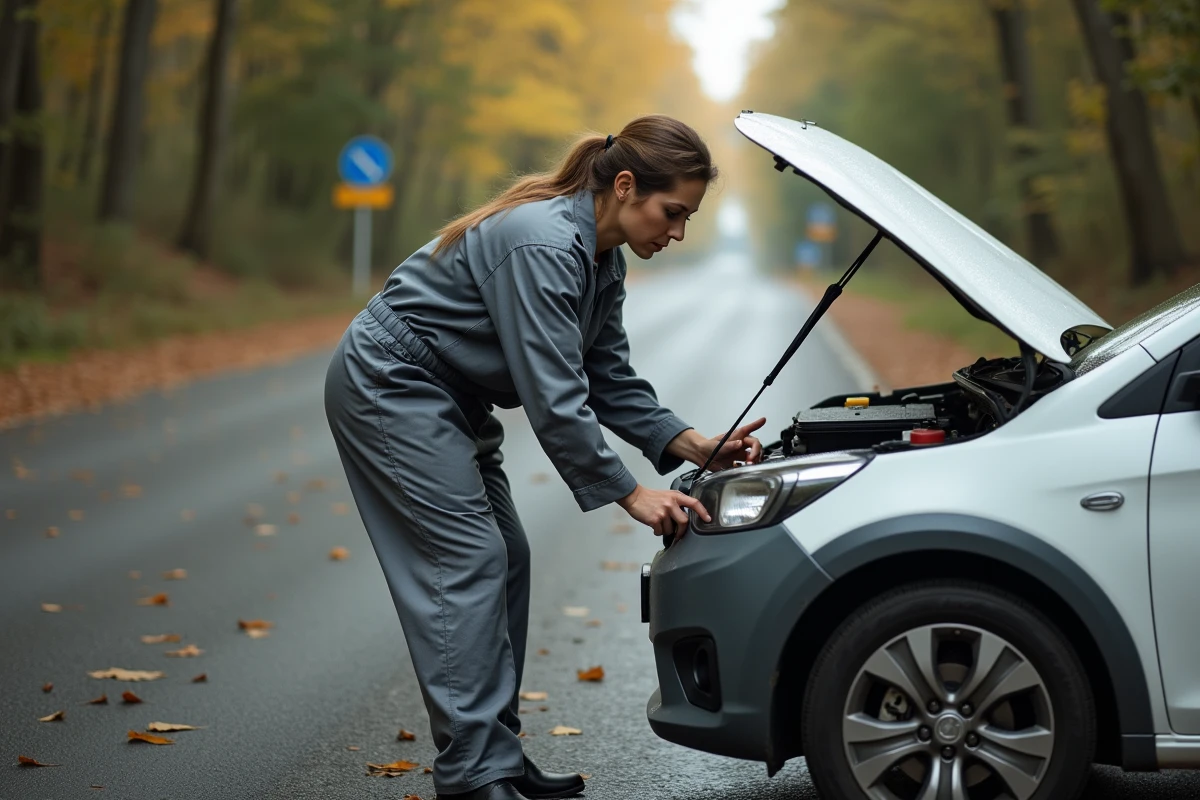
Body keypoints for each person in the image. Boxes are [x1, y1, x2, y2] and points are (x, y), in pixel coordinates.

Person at [324, 114, 765, 800]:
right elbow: (555, 397)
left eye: (687, 218)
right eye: (672, 211)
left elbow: (607, 378)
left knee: (508, 558)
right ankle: (475, 774)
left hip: (448, 396)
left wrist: (692, 442)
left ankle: (491, 754)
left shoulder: (600, 257)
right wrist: (631, 494)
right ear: (625, 185)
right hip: (392, 383)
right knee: (467, 561)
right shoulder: (542, 244)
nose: (677, 232)